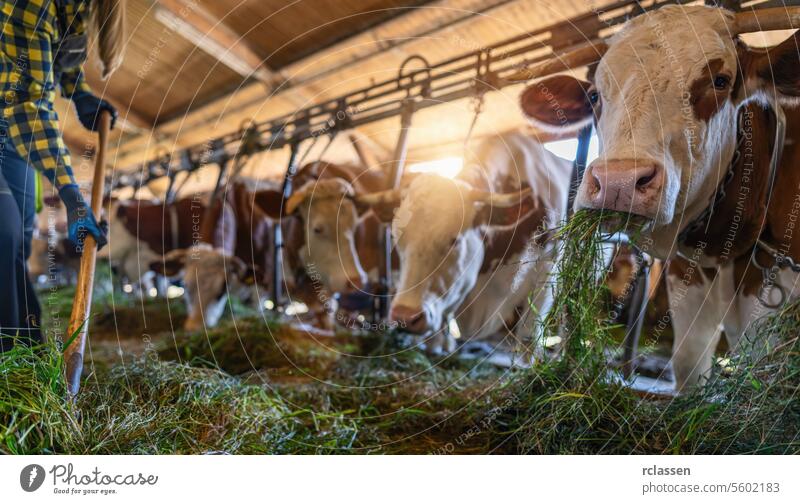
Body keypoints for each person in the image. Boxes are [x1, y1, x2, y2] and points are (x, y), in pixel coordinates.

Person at [0, 0, 126, 351]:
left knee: (18, 247)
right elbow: (29, 106)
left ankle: (25, 358)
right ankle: (12, 361)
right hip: (11, 119)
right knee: (3, 236)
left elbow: (56, 55)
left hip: (14, 138)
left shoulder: (77, 5)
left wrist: (79, 92)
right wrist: (72, 196)